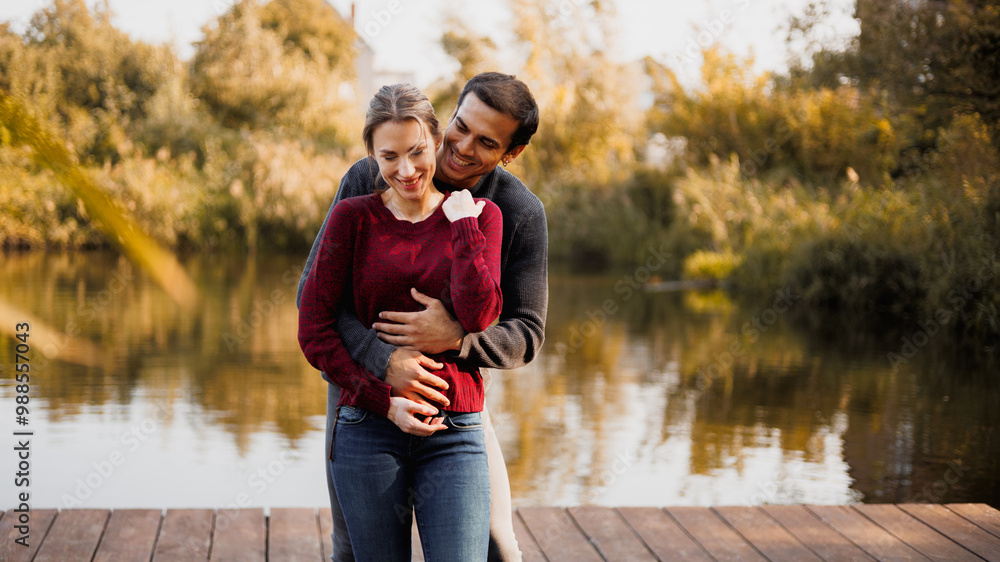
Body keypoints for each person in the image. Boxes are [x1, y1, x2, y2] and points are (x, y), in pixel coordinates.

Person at [297, 72, 547, 561]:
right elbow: (316, 299)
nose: (463, 147)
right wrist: (382, 361)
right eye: (461, 126)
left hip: (453, 393)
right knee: (352, 542)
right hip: (362, 383)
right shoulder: (367, 179)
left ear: (510, 153)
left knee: (497, 543)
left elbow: (526, 332)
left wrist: (455, 339)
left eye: (486, 141)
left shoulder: (512, 211)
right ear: (444, 121)